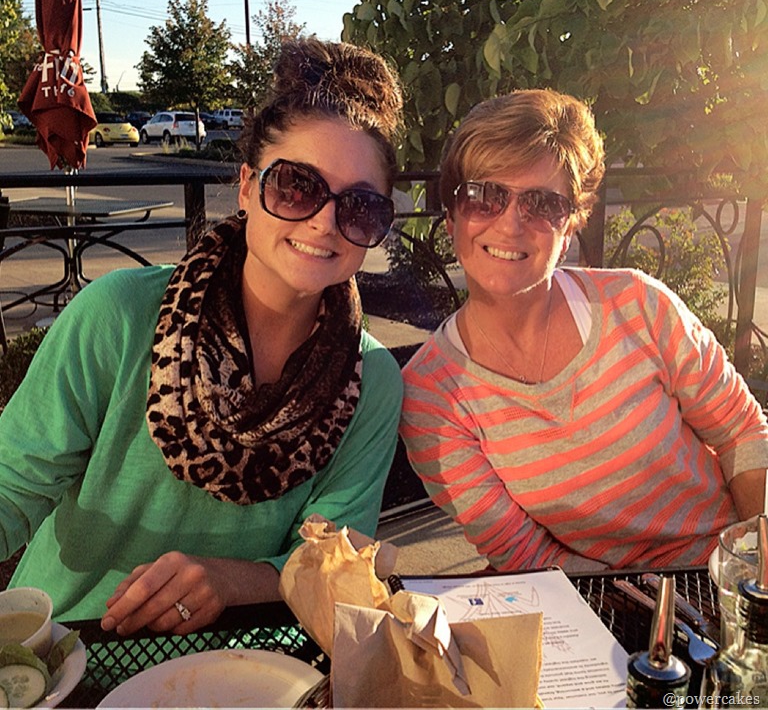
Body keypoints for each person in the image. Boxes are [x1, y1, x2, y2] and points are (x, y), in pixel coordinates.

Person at [0, 37, 405, 633]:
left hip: (254, 660)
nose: (324, 221)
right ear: (246, 187)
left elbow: (333, 565)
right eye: (296, 185)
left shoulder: (370, 382)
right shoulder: (120, 316)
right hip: (74, 644)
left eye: (360, 206)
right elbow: (13, 487)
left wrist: (231, 581)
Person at [400, 88, 768, 573]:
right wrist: (627, 602)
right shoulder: (431, 398)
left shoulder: (638, 305)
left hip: (723, 567)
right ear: (450, 218)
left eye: (542, 204)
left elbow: (742, 431)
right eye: (484, 196)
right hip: (591, 596)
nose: (511, 224)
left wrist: (756, 558)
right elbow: (525, 556)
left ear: (571, 225)